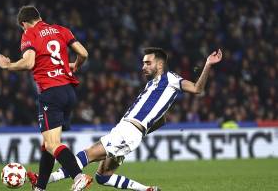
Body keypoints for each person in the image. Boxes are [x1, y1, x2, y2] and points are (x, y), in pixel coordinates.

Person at [28, 47, 223, 191]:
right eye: (143, 63)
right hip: (130, 132)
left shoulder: (171, 79)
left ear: (160, 64)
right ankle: (147, 190)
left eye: (148, 63)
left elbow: (198, 89)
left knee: (88, 154)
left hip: (128, 130)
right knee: (103, 176)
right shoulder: (153, 85)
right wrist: (141, 131)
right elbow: (162, 121)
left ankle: (44, 181)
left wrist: (207, 64)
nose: (143, 66)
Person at [0, 5, 92, 191]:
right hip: (69, 91)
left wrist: (8, 66)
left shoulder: (29, 34)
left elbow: (29, 62)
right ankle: (40, 187)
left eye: (23, 27)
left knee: (52, 143)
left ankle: (78, 177)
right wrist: (75, 65)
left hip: (51, 92)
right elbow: (84, 53)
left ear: (24, 23)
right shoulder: (61, 29)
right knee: (47, 143)